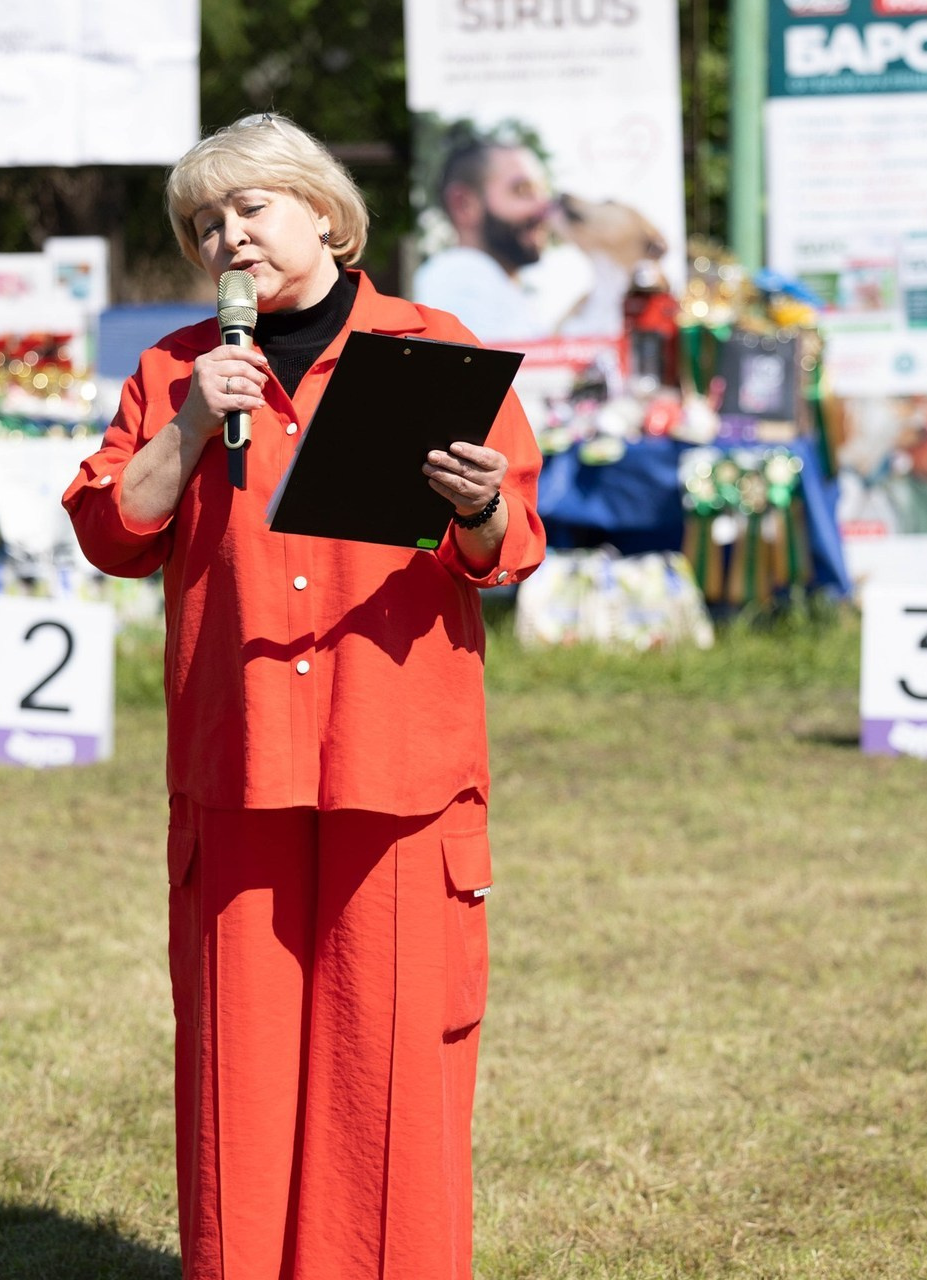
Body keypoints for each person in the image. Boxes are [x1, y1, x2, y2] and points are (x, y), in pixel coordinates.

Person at [62, 112, 545, 1280]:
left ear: (321, 213)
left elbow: (511, 543)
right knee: (240, 1062)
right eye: (203, 222)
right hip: (239, 765)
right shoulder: (176, 367)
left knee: (385, 1065)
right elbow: (110, 533)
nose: (225, 237)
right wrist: (187, 421)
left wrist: (474, 504)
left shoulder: (432, 346)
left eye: (249, 209)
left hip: (398, 765)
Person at [412, 134, 562, 341]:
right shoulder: (459, 275)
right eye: (522, 190)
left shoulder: (502, 286)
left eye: (543, 192)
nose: (543, 207)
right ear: (463, 204)